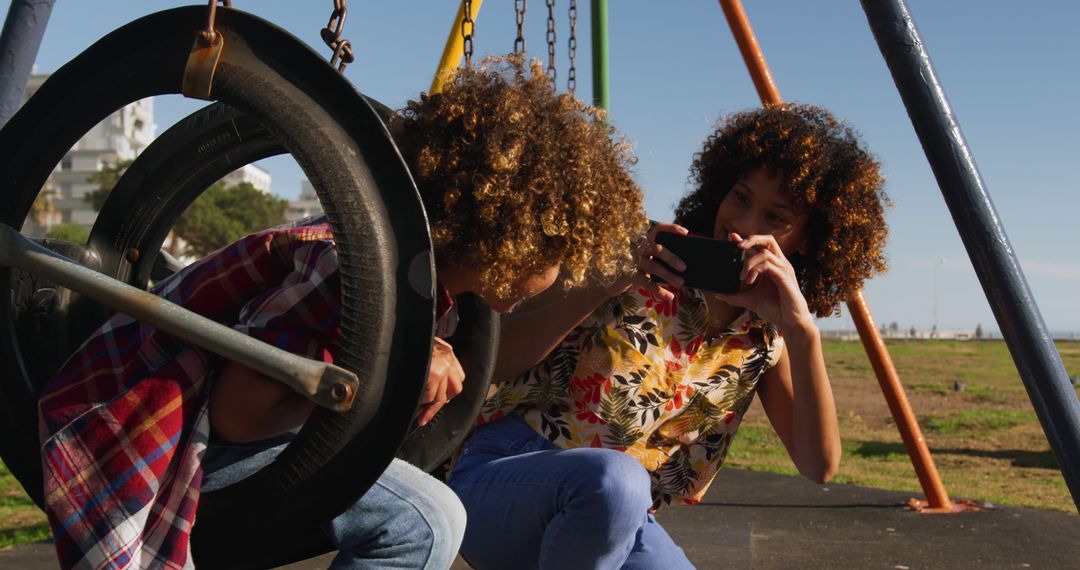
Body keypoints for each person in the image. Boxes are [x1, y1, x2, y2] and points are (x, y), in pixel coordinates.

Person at [36, 55, 647, 570]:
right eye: (558, 253)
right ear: (506, 235)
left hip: (241, 440)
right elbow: (239, 416)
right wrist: (402, 366)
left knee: (426, 505)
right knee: (428, 519)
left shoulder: (432, 297)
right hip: (165, 437)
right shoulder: (346, 271)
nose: (562, 275)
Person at [447, 104, 890, 569]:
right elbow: (492, 365)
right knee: (617, 481)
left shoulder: (764, 340)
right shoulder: (635, 256)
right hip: (502, 478)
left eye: (775, 217)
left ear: (806, 242)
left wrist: (802, 331)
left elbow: (819, 466)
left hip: (620, 515)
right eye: (740, 197)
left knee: (622, 489)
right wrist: (603, 286)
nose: (743, 223)